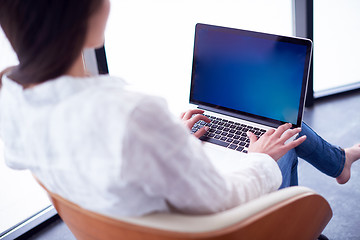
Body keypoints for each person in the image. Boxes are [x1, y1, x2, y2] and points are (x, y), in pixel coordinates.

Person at [0, 0, 359, 218]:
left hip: (120, 221)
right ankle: (292, 222)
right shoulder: (133, 114)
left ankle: (339, 161)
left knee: (277, 128)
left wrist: (165, 137)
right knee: (282, 137)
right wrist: (261, 159)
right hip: (211, 227)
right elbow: (222, 201)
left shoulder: (17, 100)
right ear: (83, 16)